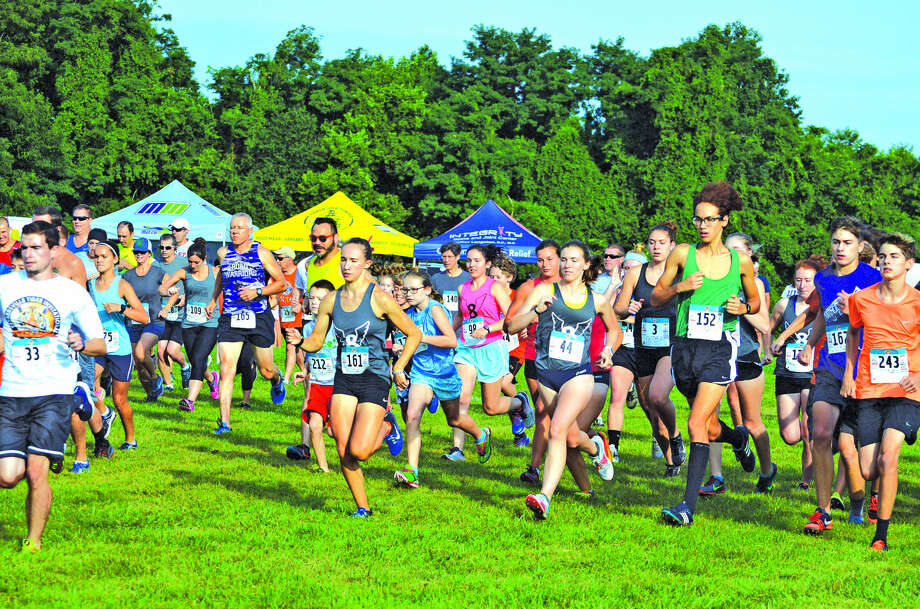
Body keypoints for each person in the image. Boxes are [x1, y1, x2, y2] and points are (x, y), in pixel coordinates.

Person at [651, 181, 761, 526]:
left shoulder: (739, 261)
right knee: (710, 427)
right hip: (684, 346)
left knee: (696, 422)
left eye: (710, 219)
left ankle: (686, 507)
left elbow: (755, 301)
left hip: (719, 348)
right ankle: (737, 438)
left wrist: (742, 307)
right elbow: (656, 297)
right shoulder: (682, 254)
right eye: (698, 219)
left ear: (724, 221)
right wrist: (680, 287)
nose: (702, 225)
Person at [287, 238, 420, 517]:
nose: (346, 266)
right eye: (343, 260)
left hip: (374, 375)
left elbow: (414, 334)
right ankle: (363, 508)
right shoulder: (332, 299)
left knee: (359, 451)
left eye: (354, 261)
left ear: (367, 263)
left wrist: (399, 367)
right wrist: (300, 341)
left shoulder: (378, 298)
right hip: (344, 377)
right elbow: (316, 341)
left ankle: (386, 427)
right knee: (342, 447)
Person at [0, 221, 106, 551]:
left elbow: (100, 343)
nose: (28, 254)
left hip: (54, 391)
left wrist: (81, 343)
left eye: (36, 248)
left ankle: (33, 542)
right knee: (7, 476)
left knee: (36, 471)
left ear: (53, 250)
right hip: (12, 391)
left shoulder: (71, 292)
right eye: (24, 248)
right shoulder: (5, 286)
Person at [508, 240, 621, 519]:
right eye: (565, 260)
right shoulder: (544, 291)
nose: (567, 265)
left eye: (573, 260)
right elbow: (511, 325)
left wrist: (608, 349)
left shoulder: (596, 300)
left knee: (556, 430)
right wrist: (536, 312)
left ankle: (544, 497)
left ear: (585, 265)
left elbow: (615, 331)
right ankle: (597, 448)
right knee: (570, 436)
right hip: (547, 373)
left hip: (578, 375)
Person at [794, 217, 880, 534]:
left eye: (846, 242)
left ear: (860, 246)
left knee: (851, 447)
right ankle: (823, 511)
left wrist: (858, 309)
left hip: (864, 370)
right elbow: (822, 316)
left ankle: (860, 500)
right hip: (830, 367)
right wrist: (810, 344)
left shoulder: (872, 277)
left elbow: (885, 319)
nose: (840, 248)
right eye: (835, 242)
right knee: (820, 432)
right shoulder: (824, 279)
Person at [842, 233, 920, 552]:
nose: (887, 262)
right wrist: (849, 373)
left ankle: (881, 536)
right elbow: (852, 331)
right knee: (868, 469)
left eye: (894, 257)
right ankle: (903, 432)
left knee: (889, 458)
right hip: (870, 389)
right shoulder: (861, 299)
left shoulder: (917, 303)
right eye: (883, 257)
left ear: (909, 264)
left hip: (906, 390)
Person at [394, 271, 492, 488]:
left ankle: (480, 433)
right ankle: (412, 471)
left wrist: (419, 337)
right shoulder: (408, 314)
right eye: (405, 290)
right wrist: (402, 349)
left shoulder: (435, 309)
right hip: (421, 373)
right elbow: (412, 342)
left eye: (413, 290)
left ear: (427, 290)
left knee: (454, 420)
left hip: (444, 373)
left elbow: (451, 341)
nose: (408, 294)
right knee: (411, 415)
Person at [699, 233, 775, 495]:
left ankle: (767, 471)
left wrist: (742, 308)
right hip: (714, 354)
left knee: (752, 422)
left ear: (748, 256)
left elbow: (764, 324)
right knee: (710, 416)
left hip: (744, 355)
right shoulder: (708, 278)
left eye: (736, 251)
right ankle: (716, 477)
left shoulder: (750, 284)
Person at [207, 213, 288, 434]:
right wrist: (214, 299)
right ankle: (225, 423)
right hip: (231, 316)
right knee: (226, 369)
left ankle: (277, 379)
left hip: (258, 316)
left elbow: (281, 283)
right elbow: (221, 278)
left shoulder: (261, 252)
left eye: (239, 228)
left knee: (266, 370)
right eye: (232, 228)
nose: (234, 232)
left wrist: (257, 291)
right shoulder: (224, 253)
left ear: (250, 230)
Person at [449, 244, 533, 460]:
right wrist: (448, 330)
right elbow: (461, 316)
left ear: (487, 264)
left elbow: (509, 318)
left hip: (492, 348)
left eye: (477, 260)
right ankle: (458, 449)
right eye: (468, 260)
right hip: (467, 348)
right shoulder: (463, 288)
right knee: (461, 398)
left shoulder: (494, 287)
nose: (471, 265)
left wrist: (487, 328)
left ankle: (519, 403)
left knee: (491, 406)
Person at [615, 223, 685, 476]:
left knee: (658, 396)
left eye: (662, 243)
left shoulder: (680, 274)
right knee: (652, 412)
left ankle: (676, 435)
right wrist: (628, 309)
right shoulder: (636, 274)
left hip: (671, 345)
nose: (656, 247)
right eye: (652, 242)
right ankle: (671, 462)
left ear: (672, 246)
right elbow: (618, 309)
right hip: (643, 346)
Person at [769, 255, 827, 489]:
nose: (802, 285)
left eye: (808, 280)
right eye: (798, 280)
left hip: (811, 374)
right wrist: (769, 347)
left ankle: (806, 480)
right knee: (790, 435)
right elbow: (768, 328)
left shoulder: (823, 306)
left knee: (806, 430)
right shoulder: (784, 304)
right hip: (787, 372)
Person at [86, 239, 147, 455]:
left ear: (115, 260)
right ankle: (104, 411)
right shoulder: (90, 285)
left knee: (120, 400)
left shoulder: (122, 285)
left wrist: (121, 308)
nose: (99, 260)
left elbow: (143, 316)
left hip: (119, 347)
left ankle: (130, 439)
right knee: (87, 382)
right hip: (98, 346)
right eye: (96, 257)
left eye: (104, 257)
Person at [508, 240, 561, 480]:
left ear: (560, 259)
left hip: (564, 358)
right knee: (543, 411)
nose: (545, 264)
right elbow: (511, 320)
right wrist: (530, 319)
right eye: (540, 260)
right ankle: (535, 468)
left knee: (557, 413)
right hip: (534, 355)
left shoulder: (569, 286)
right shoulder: (529, 287)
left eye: (550, 259)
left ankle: (591, 440)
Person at [159, 239, 219, 412]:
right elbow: (162, 289)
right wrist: (169, 291)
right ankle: (211, 378)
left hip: (209, 322)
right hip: (188, 324)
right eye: (190, 262)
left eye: (196, 262)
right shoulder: (183, 272)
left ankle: (190, 400)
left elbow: (224, 288)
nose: (193, 265)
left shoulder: (215, 272)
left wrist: (213, 302)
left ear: (205, 258)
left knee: (199, 358)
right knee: (195, 360)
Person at [286, 280, 337, 470]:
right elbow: (310, 355)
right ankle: (323, 469)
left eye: (321, 299)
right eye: (312, 298)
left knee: (333, 431)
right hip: (316, 384)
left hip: (336, 385)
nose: (315, 302)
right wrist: (305, 371)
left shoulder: (338, 327)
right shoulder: (308, 328)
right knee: (315, 425)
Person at [490, 257, 530, 447]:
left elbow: (529, 317)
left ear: (509, 278)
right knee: (501, 388)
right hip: (493, 348)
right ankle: (520, 427)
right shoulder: (488, 297)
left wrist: (525, 326)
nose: (493, 280)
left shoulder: (517, 297)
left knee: (503, 381)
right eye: (491, 276)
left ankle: (520, 403)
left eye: (498, 277)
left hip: (515, 348)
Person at [122, 237, 167, 403]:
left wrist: (167, 306)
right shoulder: (127, 275)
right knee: (138, 363)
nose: (139, 255)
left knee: (141, 354)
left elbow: (174, 289)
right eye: (136, 252)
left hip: (153, 321)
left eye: (142, 252)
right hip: (133, 322)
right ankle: (151, 394)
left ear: (149, 253)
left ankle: (155, 378)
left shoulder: (158, 272)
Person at [156, 233, 192, 393]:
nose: (164, 250)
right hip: (162, 313)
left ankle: (185, 366)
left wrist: (186, 296)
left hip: (180, 314)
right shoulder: (156, 266)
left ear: (175, 248)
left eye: (167, 248)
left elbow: (195, 284)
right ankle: (168, 384)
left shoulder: (184, 264)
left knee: (172, 350)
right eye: (161, 247)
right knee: (160, 350)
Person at [274, 246, 304, 385]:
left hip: (297, 317)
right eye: (277, 258)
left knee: (290, 347)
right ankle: (304, 371)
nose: (277, 261)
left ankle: (285, 379)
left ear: (290, 259)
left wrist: (301, 304)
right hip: (283, 317)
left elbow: (309, 290)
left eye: (280, 258)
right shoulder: (278, 274)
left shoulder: (300, 272)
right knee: (296, 349)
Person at [295, 217, 345, 294]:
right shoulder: (308, 265)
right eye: (313, 238)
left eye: (323, 238)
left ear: (335, 238)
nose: (317, 242)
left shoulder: (345, 262)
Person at [430, 242, 471, 318]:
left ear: (458, 257)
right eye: (444, 256)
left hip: (462, 325)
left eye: (450, 256)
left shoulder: (469, 278)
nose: (446, 260)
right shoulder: (435, 278)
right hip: (441, 324)